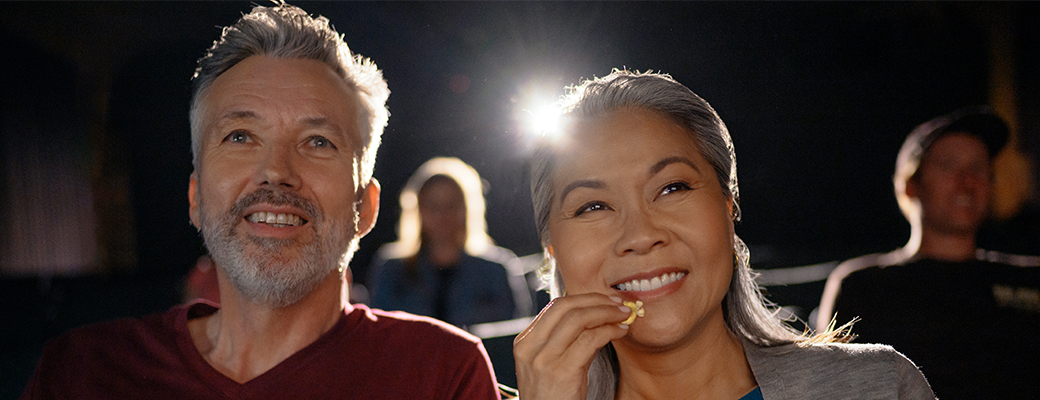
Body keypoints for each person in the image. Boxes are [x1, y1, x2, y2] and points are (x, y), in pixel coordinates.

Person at [20, 4, 500, 399]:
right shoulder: (82, 372)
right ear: (195, 197)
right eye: (240, 135)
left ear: (365, 208)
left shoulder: (441, 373)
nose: (276, 172)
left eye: (317, 142)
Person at [512, 70, 934, 399]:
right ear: (552, 251)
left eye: (672, 188)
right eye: (593, 206)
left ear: (728, 206)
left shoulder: (878, 387)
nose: (640, 235)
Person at [817, 107, 1040, 398]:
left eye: (978, 167)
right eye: (949, 166)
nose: (967, 181)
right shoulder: (864, 286)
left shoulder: (1030, 280)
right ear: (911, 185)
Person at [368, 157, 532, 327]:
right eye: (433, 206)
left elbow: (514, 335)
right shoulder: (391, 270)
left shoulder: (496, 270)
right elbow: (380, 333)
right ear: (418, 211)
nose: (442, 215)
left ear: (467, 208)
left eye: (451, 205)